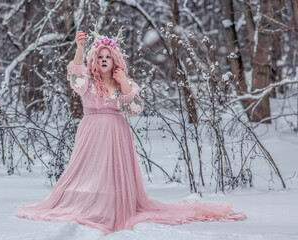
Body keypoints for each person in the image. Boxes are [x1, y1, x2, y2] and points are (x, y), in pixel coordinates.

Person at [16, 26, 247, 235]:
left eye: (108, 56)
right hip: (91, 132)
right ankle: (89, 205)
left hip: (117, 132)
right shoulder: (88, 82)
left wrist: (124, 81)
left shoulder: (124, 83)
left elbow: (134, 108)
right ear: (94, 60)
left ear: (115, 60)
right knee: (90, 171)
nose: (104, 59)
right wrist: (79, 49)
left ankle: (115, 206)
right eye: (100, 57)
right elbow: (75, 76)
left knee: (113, 172)